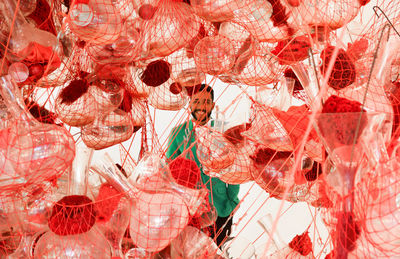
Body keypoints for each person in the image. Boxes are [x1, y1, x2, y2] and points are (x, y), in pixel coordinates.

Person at [166, 84, 240, 247]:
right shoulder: (177, 133)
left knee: (217, 251)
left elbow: (235, 167)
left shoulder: (223, 130)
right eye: (197, 101)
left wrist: (231, 201)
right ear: (190, 103)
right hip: (190, 211)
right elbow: (169, 169)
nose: (201, 106)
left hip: (221, 206)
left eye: (206, 102)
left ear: (213, 105)